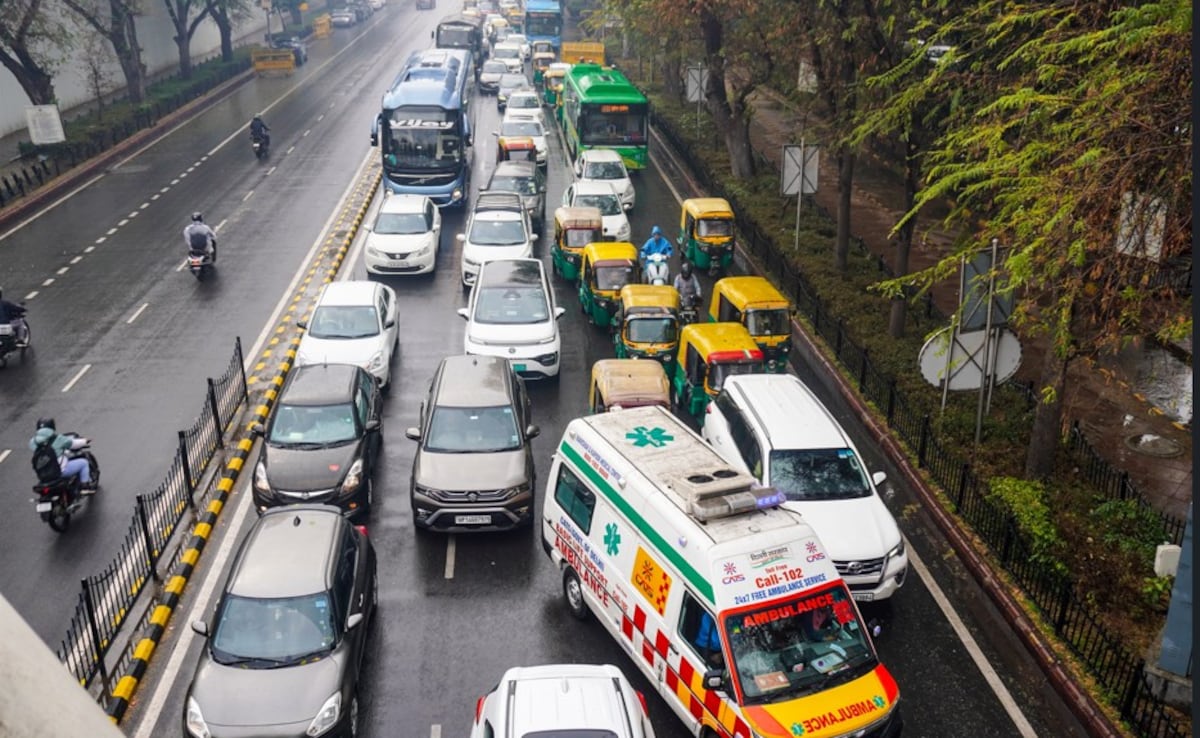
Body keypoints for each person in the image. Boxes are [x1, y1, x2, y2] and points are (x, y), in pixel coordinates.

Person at [29, 418, 95, 493]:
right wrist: (85, 441)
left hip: (43, 474)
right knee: (83, 463)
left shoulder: (33, 442)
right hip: (60, 471)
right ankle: (85, 487)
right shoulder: (58, 439)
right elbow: (73, 444)